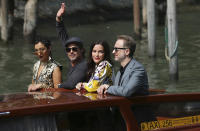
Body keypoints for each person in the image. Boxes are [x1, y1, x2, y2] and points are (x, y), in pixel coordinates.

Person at [56, 3, 87, 89]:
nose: (71, 51)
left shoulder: (83, 65)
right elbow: (63, 38)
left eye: (74, 49)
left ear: (82, 50)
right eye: (68, 50)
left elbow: (70, 84)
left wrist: (54, 85)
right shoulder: (75, 61)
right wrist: (58, 19)